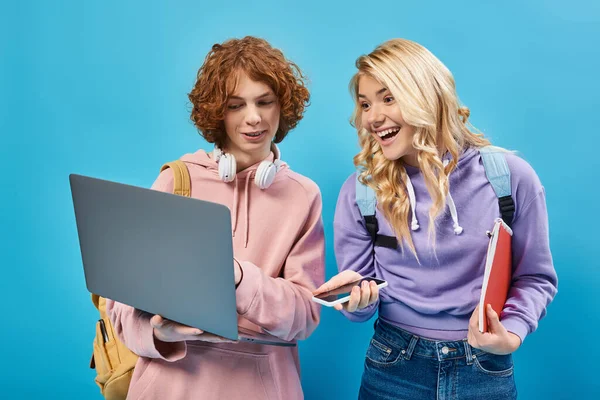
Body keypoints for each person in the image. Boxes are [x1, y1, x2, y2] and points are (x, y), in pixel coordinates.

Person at [314, 38, 558, 399]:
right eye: (365, 104)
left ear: (427, 96)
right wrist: (356, 301)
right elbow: (361, 306)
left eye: (387, 97)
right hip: (392, 365)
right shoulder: (362, 192)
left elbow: (536, 277)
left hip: (483, 369)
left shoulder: (509, 179)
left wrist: (512, 333)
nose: (372, 117)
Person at [106, 36, 325, 400]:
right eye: (236, 105)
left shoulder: (303, 195)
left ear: (282, 107)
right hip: (170, 385)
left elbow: (305, 316)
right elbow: (121, 308)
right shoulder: (177, 181)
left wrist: (239, 277)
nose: (253, 118)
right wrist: (161, 334)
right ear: (217, 113)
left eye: (264, 102)